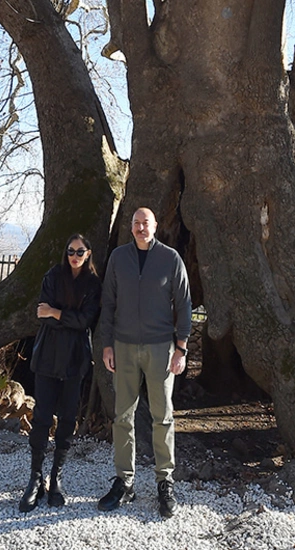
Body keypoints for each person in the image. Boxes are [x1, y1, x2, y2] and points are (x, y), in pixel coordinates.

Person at [97, 207, 192, 518]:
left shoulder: (170, 259)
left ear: (155, 226)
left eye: (145, 223)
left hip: (160, 349)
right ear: (131, 227)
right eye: (136, 223)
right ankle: (124, 482)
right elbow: (108, 302)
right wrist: (107, 344)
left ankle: (165, 482)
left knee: (162, 416)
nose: (140, 228)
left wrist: (181, 348)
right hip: (123, 348)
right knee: (122, 416)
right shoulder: (118, 258)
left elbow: (184, 303)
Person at [18, 234, 102, 512]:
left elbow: (86, 320)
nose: (75, 255)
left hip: (75, 360)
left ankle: (57, 476)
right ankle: (35, 478)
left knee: (67, 418)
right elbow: (42, 314)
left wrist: (56, 312)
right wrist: (63, 316)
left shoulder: (93, 284)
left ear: (88, 253)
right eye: (70, 251)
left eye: (80, 251)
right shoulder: (52, 276)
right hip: (47, 357)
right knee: (41, 417)